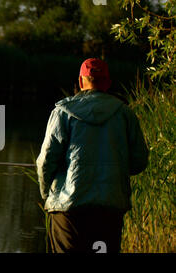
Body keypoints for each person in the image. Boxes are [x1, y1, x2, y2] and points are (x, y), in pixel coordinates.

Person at [36, 58, 149, 253]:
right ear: (108, 83)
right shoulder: (125, 114)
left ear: (81, 82)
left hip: (68, 210)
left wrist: (47, 195)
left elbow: (46, 161)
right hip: (109, 212)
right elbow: (139, 161)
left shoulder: (63, 112)